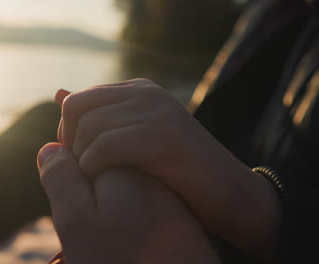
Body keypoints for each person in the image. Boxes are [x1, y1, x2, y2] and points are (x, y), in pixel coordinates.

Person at [0, 0, 319, 263]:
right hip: (227, 194)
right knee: (54, 124)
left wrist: (249, 203)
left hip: (247, 230)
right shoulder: (280, 12)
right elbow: (225, 114)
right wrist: (169, 137)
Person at [39, 0, 319, 263]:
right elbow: (222, 117)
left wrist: (250, 205)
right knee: (48, 121)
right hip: (213, 205)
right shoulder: (274, 9)